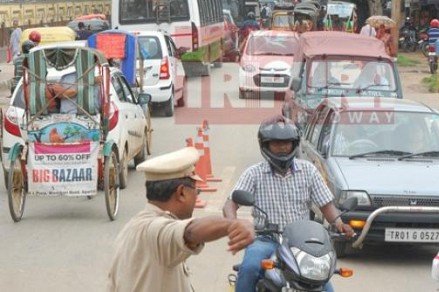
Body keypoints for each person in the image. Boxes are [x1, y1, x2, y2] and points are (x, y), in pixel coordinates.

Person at [222, 116, 355, 292]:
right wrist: (234, 223)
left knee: (323, 282)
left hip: (301, 243)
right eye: (276, 143)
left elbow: (326, 205)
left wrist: (339, 223)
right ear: (265, 144)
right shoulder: (254, 173)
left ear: (294, 143)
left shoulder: (308, 170)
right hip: (266, 239)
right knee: (250, 268)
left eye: (287, 142)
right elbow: (230, 204)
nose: (283, 147)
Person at [107, 147, 255, 292]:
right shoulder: (154, 229)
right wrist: (232, 224)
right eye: (196, 191)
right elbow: (190, 231)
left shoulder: (131, 229)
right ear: (181, 193)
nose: (197, 196)